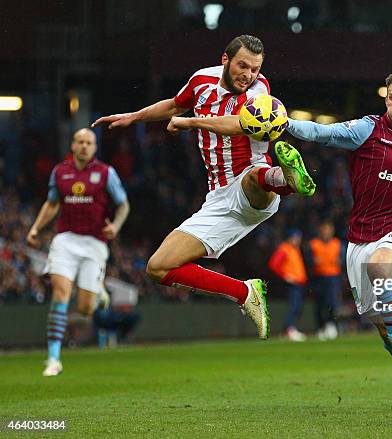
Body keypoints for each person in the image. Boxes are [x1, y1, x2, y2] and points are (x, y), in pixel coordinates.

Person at [177, 70, 392, 413]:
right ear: (385, 99)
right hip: (360, 239)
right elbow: (320, 132)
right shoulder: (368, 130)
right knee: (381, 324)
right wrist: (282, 121)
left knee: (381, 267)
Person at [92, 35, 315, 341]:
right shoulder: (201, 80)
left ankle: (286, 179)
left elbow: (241, 123)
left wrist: (191, 123)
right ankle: (244, 292)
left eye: (254, 68)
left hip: (252, 181)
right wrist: (134, 116)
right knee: (159, 267)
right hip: (219, 199)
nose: (248, 74)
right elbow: (174, 105)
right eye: (243, 66)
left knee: (253, 177)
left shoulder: (258, 90)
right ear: (225, 60)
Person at [26, 128, 130, 376]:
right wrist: (35, 228)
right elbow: (52, 204)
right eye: (80, 142)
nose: (84, 146)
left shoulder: (106, 173)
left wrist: (115, 226)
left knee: (85, 309)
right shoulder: (60, 172)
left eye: (89, 142)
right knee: (61, 293)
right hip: (65, 240)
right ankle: (53, 359)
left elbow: (123, 205)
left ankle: (98, 294)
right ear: (73, 145)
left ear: (94, 148)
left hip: (94, 244)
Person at [268, 229, 308, 341]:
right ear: (289, 238)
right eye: (295, 238)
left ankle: (289, 329)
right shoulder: (285, 248)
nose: (297, 240)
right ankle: (289, 329)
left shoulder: (293, 249)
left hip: (298, 283)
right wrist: (285, 276)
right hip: (293, 283)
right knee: (294, 306)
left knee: (297, 307)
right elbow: (274, 264)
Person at [308, 221, 343, 340]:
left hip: (333, 277)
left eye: (328, 230)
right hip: (318, 278)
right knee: (319, 304)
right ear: (320, 231)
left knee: (332, 303)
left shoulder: (337, 243)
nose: (326, 233)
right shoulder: (314, 244)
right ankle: (321, 327)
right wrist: (313, 261)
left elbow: (343, 260)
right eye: (324, 230)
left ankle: (331, 325)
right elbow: (307, 261)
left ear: (332, 231)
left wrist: (340, 262)